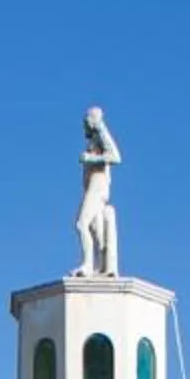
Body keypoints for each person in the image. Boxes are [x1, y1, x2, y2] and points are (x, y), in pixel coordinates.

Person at [75, 107, 122, 276]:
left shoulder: (102, 133)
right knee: (97, 230)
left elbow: (116, 157)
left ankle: (88, 265)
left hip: (98, 188)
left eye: (86, 120)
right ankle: (102, 266)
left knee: (82, 224)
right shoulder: (94, 139)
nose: (84, 124)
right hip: (93, 188)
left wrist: (91, 159)